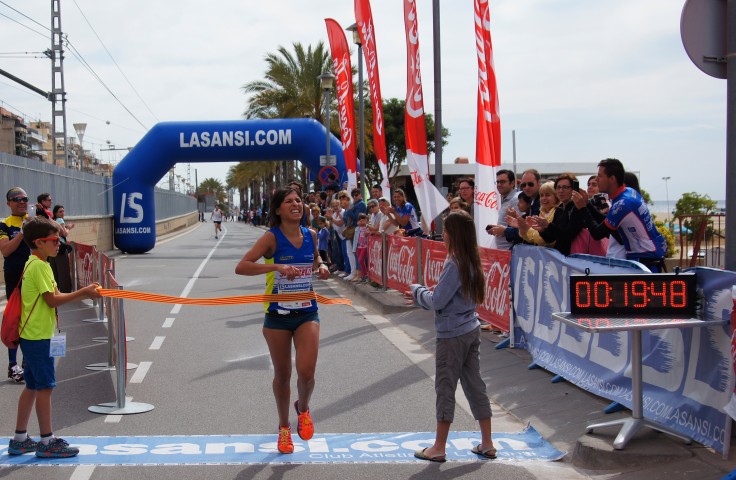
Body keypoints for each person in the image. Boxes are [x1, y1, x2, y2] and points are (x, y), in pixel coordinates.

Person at [234, 187, 330, 454]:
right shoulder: (271, 238)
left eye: (298, 200)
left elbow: (315, 257)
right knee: (283, 375)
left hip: (307, 311)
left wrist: (321, 265)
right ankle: (284, 428)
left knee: (307, 373)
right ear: (278, 210)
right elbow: (241, 266)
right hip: (277, 315)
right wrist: (275, 266)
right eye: (288, 202)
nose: (296, 204)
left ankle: (304, 407)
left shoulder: (311, 235)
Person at [405, 210, 496, 462]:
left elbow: (438, 300)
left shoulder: (454, 262)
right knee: (475, 385)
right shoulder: (471, 259)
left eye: (445, 230)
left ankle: (439, 447)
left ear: (454, 234)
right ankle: (487, 442)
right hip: (471, 328)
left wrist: (416, 291)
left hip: (452, 335)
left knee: (445, 388)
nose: (442, 234)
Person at [8, 216, 100, 458]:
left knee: (32, 385)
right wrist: (84, 293)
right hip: (38, 338)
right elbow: (52, 300)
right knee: (45, 388)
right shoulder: (38, 266)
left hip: (36, 335)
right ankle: (47, 441)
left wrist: (82, 292)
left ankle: (20, 438)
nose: (58, 242)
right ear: (39, 242)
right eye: (53, 239)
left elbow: (55, 294)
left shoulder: (40, 263)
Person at [573, 158, 667, 270]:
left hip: (645, 261)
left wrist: (583, 208)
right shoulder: (628, 192)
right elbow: (606, 222)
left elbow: (598, 233)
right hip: (646, 256)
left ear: (612, 179)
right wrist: (588, 204)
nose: (597, 180)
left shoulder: (623, 204)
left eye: (600, 176)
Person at [1, 187, 31, 383]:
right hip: (14, 279)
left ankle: (28, 363)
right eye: (16, 199)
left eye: (24, 199)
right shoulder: (4, 225)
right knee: (15, 321)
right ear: (9, 203)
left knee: (32, 321)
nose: (21, 202)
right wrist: (22, 232)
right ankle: (13, 365)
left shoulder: (35, 221)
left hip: (35, 279)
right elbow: (6, 250)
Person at [526, 173, 585, 256]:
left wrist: (548, 226)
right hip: (560, 258)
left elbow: (569, 235)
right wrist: (542, 230)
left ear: (574, 189)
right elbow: (551, 238)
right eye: (558, 187)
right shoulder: (560, 209)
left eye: (565, 187)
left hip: (575, 257)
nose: (561, 190)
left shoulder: (577, 207)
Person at [486, 169, 519, 250]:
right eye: (498, 182)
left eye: (503, 182)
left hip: (511, 250)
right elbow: (508, 224)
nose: (499, 184)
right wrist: (497, 229)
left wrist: (504, 231)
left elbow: (519, 226)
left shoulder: (516, 199)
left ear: (512, 183)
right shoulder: (505, 199)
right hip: (503, 251)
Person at [51, 205, 74, 293]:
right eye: (60, 211)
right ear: (56, 213)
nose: (62, 213)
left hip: (53, 246)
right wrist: (69, 227)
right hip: (60, 247)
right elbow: (64, 233)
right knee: (63, 270)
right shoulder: (60, 220)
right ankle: (65, 291)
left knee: (54, 270)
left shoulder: (53, 221)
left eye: (63, 211)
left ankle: (56, 290)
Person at [352, 213, 369, 283]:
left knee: (361, 259)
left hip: (365, 246)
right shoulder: (357, 228)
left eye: (363, 219)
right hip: (358, 246)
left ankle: (365, 274)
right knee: (360, 261)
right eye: (359, 219)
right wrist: (354, 248)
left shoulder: (368, 227)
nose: (361, 221)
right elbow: (355, 239)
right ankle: (363, 274)